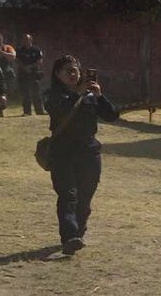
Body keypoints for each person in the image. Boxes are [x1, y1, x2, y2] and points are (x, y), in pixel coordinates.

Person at [44, 56, 119, 254]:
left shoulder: (89, 95)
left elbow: (112, 116)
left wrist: (99, 96)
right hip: (63, 153)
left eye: (75, 70)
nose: (72, 74)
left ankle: (79, 231)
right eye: (67, 70)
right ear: (57, 74)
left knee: (85, 197)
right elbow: (58, 111)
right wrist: (76, 94)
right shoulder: (52, 94)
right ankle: (69, 237)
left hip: (89, 153)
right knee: (68, 195)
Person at [16, 33, 45, 115]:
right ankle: (27, 112)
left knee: (36, 93)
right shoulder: (19, 50)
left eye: (27, 39)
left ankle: (39, 111)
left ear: (31, 40)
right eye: (24, 39)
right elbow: (17, 60)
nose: (25, 41)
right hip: (23, 74)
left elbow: (40, 61)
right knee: (25, 94)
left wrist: (30, 67)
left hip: (34, 74)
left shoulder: (36, 50)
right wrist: (24, 67)